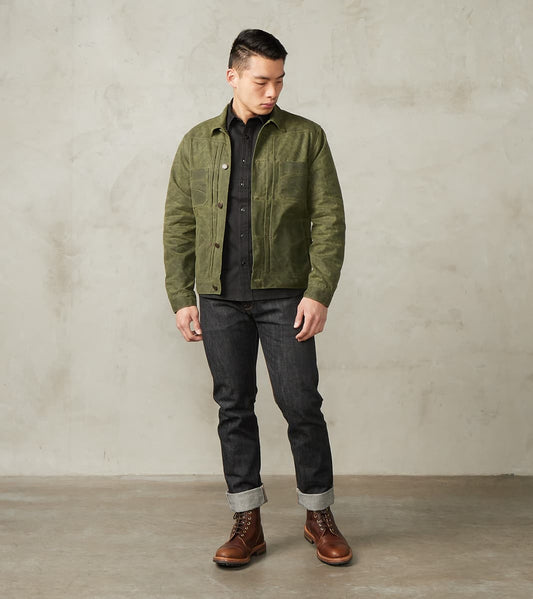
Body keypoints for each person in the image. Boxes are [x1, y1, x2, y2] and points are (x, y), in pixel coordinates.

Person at [163, 29, 351, 567]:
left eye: (280, 81)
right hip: (219, 298)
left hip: (285, 297)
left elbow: (329, 220)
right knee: (233, 407)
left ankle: (319, 515)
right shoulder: (197, 142)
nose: (272, 92)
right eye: (261, 81)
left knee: (301, 405)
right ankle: (247, 523)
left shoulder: (306, 137)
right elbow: (179, 224)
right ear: (233, 76)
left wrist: (318, 291)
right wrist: (181, 295)